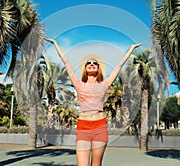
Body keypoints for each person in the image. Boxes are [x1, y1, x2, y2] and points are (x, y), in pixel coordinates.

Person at [44, 38, 142, 166]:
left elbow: (118, 66)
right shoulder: (78, 84)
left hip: (100, 127)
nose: (91, 64)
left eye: (94, 63)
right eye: (88, 63)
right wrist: (55, 43)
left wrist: (131, 49)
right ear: (85, 68)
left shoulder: (104, 84)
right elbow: (66, 61)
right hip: (83, 127)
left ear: (98, 68)